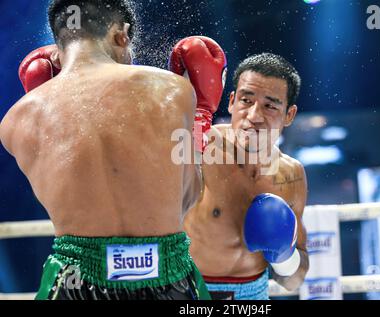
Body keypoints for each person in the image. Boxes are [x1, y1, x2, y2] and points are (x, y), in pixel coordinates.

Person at [0, 0, 226, 300]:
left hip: (73, 281)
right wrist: (201, 118)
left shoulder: (16, 120)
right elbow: (188, 198)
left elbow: (63, 201)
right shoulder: (172, 90)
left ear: (57, 49)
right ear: (122, 35)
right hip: (167, 275)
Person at [179, 53, 309, 300]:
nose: (254, 116)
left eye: (270, 106)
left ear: (289, 115)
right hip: (191, 290)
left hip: (254, 295)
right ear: (231, 101)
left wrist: (284, 256)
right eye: (246, 100)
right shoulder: (199, 147)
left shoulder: (291, 174)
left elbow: (294, 281)